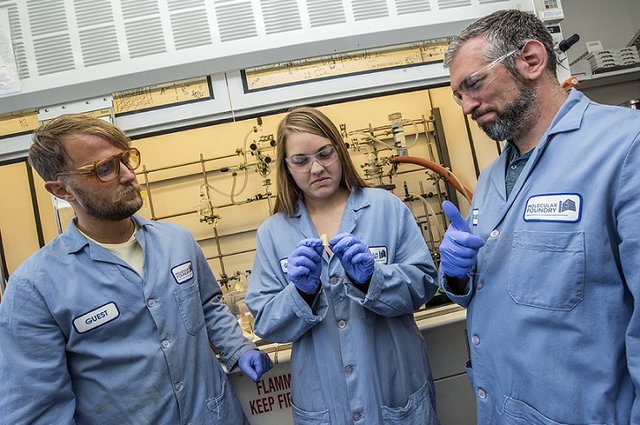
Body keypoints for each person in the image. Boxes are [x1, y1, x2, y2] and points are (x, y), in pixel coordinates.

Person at [0, 114, 272, 424]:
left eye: (126, 159)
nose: (129, 175)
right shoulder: (34, 288)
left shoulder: (176, 242)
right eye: (104, 169)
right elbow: (38, 411)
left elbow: (208, 307)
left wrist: (238, 348)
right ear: (62, 191)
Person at [438, 9, 640, 424]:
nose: (466, 107)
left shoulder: (624, 148)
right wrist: (458, 275)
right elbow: (498, 290)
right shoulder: (493, 178)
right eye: (458, 95)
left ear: (530, 60)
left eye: (473, 85)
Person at [245, 106, 441, 424]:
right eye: (301, 161)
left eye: (325, 154)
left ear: (340, 150)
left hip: (394, 389)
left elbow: (424, 285)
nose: (317, 168)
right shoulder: (274, 232)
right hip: (324, 399)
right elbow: (266, 322)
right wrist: (301, 294)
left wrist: (372, 280)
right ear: (286, 167)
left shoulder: (384, 208)